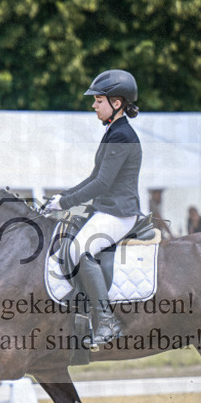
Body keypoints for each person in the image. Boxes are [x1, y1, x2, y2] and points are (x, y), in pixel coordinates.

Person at [42, 69, 142, 346]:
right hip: (107, 209)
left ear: (117, 103)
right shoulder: (113, 131)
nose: (94, 105)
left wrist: (66, 202)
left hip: (119, 212)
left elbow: (102, 182)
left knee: (80, 249)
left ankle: (106, 322)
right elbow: (92, 178)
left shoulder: (122, 135)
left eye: (99, 100)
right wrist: (61, 198)